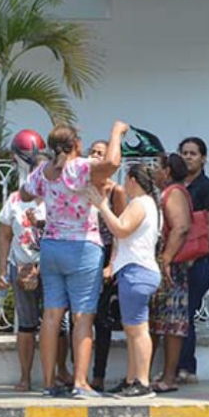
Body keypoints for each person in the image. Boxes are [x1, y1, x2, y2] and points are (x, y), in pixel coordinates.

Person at [21, 122, 121, 398]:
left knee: (51, 316)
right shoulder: (81, 167)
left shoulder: (45, 170)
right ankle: (80, 382)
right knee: (82, 317)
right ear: (75, 143)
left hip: (52, 246)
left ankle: (48, 383)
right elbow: (112, 162)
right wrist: (116, 132)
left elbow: (26, 192)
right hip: (83, 247)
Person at [90, 162, 162, 398]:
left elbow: (121, 229)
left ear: (133, 179)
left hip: (137, 271)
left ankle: (142, 380)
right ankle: (132, 378)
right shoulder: (149, 204)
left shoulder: (140, 204)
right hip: (137, 270)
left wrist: (103, 206)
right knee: (133, 330)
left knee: (138, 329)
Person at [0, 129, 49, 392]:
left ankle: (59, 372)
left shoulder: (56, 197)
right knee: (26, 323)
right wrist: (4, 268)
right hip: (23, 265)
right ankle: (25, 376)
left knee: (57, 322)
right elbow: (5, 235)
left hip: (51, 268)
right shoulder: (15, 199)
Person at [178, 136, 209, 385]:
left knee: (187, 309)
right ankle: (177, 366)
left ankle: (186, 367)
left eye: (193, 153)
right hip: (177, 260)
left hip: (201, 260)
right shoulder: (175, 187)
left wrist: (192, 256)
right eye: (184, 152)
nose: (188, 157)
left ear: (203, 158)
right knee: (175, 312)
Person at [148, 152, 192, 393]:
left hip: (171, 267)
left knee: (172, 323)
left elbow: (181, 227)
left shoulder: (174, 193)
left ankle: (169, 376)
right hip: (165, 263)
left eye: (157, 166)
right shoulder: (168, 192)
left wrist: (166, 258)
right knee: (157, 321)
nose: (153, 171)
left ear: (167, 171)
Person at [86, 139, 125, 392]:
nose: (97, 157)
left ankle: (98, 374)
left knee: (102, 319)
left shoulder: (115, 191)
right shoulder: (81, 186)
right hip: (84, 251)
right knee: (79, 317)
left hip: (107, 251)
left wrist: (111, 264)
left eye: (102, 154)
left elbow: (121, 230)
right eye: (93, 153)